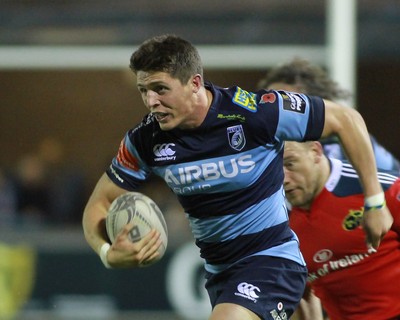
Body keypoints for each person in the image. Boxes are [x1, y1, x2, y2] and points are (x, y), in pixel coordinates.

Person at [82, 34, 392, 320]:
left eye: (161, 89)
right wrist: (108, 254)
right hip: (220, 274)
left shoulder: (255, 113)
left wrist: (375, 202)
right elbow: (99, 203)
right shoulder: (145, 140)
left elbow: (346, 120)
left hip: (271, 260)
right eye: (144, 91)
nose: (151, 101)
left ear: (194, 83)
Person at [283, 140, 400, 320]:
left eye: (290, 164)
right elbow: (301, 293)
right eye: (273, 170)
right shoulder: (278, 221)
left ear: (315, 151)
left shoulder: (378, 188)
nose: (284, 178)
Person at [258, 58, 400, 172]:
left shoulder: (351, 143)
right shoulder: (256, 151)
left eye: (289, 104)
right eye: (270, 102)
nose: (278, 112)